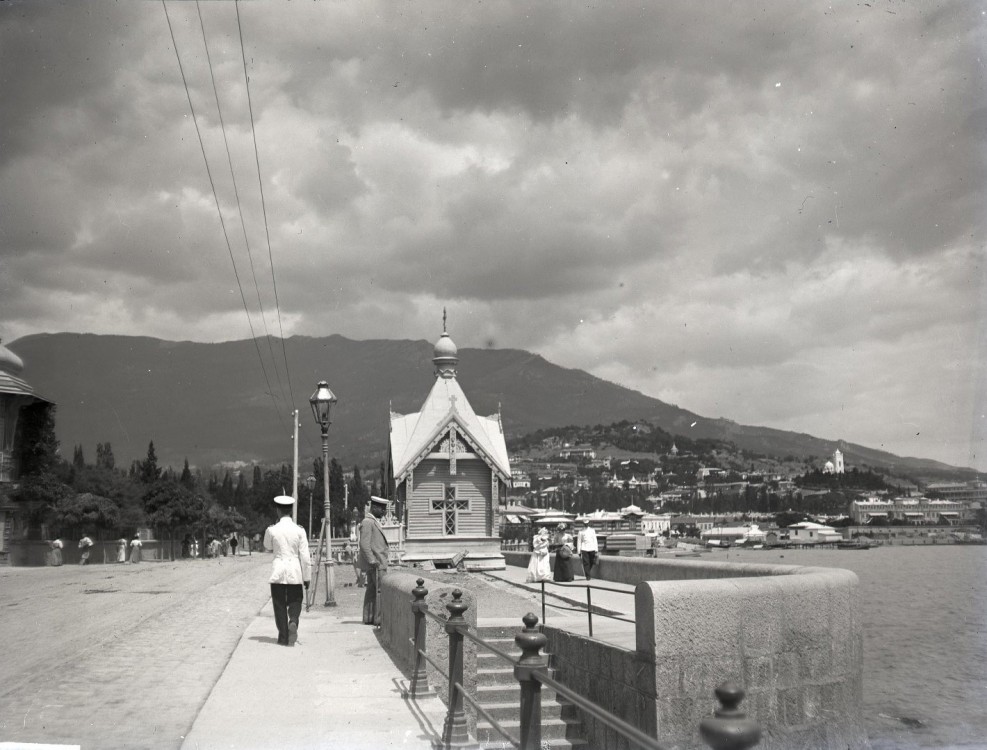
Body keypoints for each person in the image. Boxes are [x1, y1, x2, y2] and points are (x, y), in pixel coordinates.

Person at [263, 495, 312, 646]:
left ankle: (283, 637)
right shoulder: (299, 530)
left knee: (279, 604)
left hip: (278, 571)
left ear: (277, 510)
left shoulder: (271, 530)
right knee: (296, 599)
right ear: (291, 510)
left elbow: (267, 546)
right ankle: (294, 620)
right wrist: (307, 577)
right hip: (295, 570)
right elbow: (305, 557)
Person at [357, 496, 390, 625]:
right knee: (380, 591)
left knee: (371, 591)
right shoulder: (368, 522)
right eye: (382, 509)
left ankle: (369, 617)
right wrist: (372, 560)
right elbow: (364, 544)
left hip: (375, 563)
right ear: (374, 508)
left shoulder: (372, 521)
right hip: (376, 564)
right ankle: (379, 619)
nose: (384, 512)